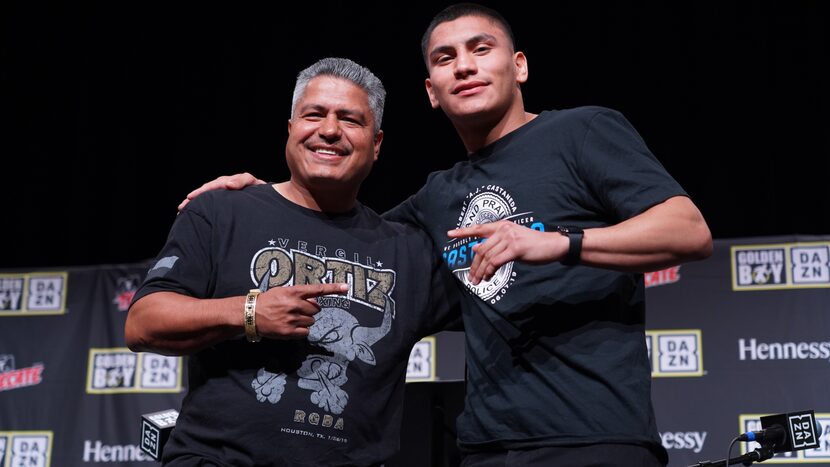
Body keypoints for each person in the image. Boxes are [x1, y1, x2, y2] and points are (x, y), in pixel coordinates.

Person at [181, 3, 713, 465]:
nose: (464, 66)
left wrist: (562, 242)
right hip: (485, 444)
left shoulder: (582, 131)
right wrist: (261, 193)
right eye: (445, 58)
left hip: (594, 434)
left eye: (480, 49)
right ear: (432, 92)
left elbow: (688, 230)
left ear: (519, 65)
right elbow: (341, 227)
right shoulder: (438, 195)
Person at [125, 57, 459, 466]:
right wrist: (250, 311)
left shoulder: (408, 252)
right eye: (313, 114)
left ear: (376, 144)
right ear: (290, 129)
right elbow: (143, 323)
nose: (330, 130)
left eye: (350, 119)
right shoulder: (221, 211)